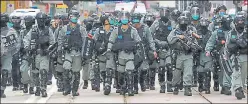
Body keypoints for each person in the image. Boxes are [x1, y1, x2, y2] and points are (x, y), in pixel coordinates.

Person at [107, 11, 141, 96]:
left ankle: (130, 89)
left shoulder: (133, 30)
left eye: (126, 18)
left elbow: (138, 42)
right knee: (121, 73)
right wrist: (108, 49)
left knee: (130, 71)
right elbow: (111, 41)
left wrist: (139, 52)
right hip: (120, 55)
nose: (124, 19)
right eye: (123, 18)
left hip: (130, 55)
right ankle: (122, 88)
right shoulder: (116, 30)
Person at [167, 11, 200, 96]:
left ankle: (187, 88)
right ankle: (176, 86)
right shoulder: (175, 31)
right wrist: (178, 37)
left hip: (188, 54)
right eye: (182, 23)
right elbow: (169, 40)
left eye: (185, 23)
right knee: (177, 72)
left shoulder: (191, 31)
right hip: (178, 55)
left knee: (188, 72)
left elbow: (196, 42)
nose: (183, 24)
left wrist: (193, 45)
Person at [57, 10, 87, 96]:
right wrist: (59, 50)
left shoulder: (82, 29)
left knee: (76, 72)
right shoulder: (64, 29)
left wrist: (84, 55)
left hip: (78, 53)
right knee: (66, 69)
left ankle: (75, 90)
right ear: (69, 17)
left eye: (75, 17)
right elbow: (60, 40)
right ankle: (67, 88)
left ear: (77, 18)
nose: (73, 18)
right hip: (68, 53)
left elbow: (85, 42)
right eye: (72, 17)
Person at [24, 12, 53, 97]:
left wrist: (49, 49)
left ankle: (43, 89)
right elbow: (26, 39)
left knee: (43, 71)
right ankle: (38, 87)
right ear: (36, 20)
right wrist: (27, 47)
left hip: (44, 55)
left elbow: (53, 42)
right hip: (34, 55)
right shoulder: (32, 30)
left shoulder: (48, 30)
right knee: (35, 74)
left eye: (42, 20)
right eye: (39, 20)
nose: (41, 21)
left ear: (45, 20)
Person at [205, 5, 233, 95]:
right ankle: (223, 85)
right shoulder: (216, 30)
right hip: (220, 52)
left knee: (230, 70)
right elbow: (210, 41)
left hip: (232, 53)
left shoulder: (232, 31)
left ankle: (227, 86)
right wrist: (208, 50)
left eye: (223, 10)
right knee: (221, 70)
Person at [150, 8, 173, 93]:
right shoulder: (156, 23)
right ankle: (162, 85)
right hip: (159, 49)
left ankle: (170, 85)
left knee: (170, 66)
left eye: (165, 12)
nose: (164, 14)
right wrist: (156, 42)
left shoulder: (172, 23)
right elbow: (150, 35)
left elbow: (177, 33)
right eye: (162, 12)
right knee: (161, 68)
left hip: (169, 48)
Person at [224, 14, 246, 100]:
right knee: (236, 73)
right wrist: (226, 55)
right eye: (238, 21)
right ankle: (238, 89)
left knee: (244, 75)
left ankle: (242, 88)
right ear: (235, 22)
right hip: (235, 56)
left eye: (241, 21)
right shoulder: (231, 33)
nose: (240, 23)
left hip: (245, 57)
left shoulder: (246, 32)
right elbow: (227, 45)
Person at [92, 14, 116, 95]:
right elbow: (93, 41)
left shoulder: (114, 30)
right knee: (102, 70)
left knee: (109, 68)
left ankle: (108, 84)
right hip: (101, 53)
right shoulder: (98, 30)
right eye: (106, 21)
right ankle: (104, 83)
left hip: (110, 53)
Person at [1, 16, 22, 98]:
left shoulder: (11, 31)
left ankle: (2, 90)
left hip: (7, 55)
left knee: (5, 72)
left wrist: (11, 53)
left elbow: (17, 44)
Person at [196, 18, 212, 94]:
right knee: (200, 72)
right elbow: (193, 42)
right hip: (199, 54)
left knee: (207, 71)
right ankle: (200, 85)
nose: (204, 25)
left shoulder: (210, 33)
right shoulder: (196, 33)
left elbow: (213, 42)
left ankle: (207, 86)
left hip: (208, 54)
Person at [21, 15, 36, 94]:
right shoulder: (22, 32)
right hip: (25, 53)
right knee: (23, 70)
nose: (26, 23)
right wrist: (21, 49)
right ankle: (25, 84)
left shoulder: (35, 30)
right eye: (25, 21)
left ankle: (31, 87)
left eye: (28, 21)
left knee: (33, 71)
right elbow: (19, 41)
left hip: (34, 53)